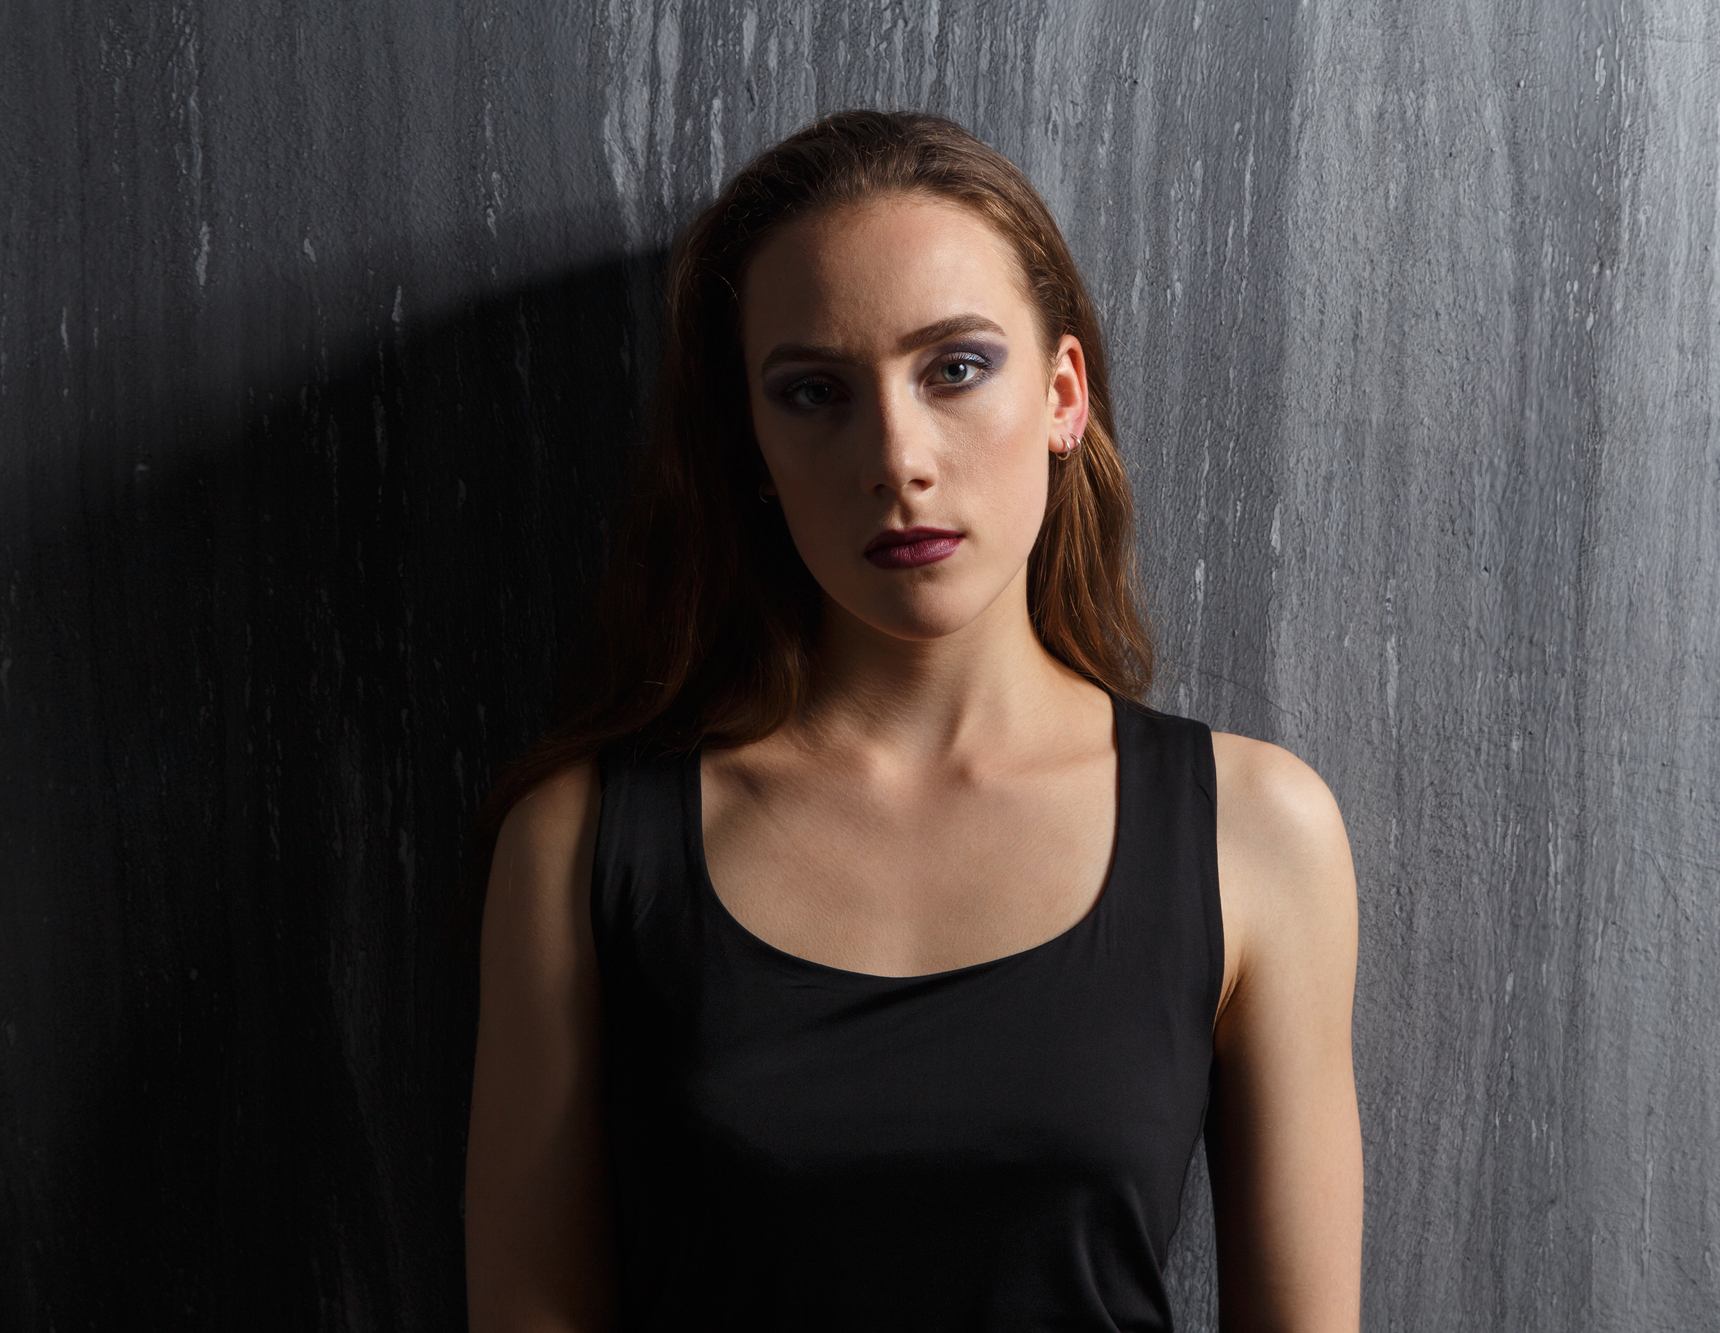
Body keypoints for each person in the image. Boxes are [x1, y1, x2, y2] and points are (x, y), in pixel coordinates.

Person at [464, 109, 1360, 1332]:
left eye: (953, 368)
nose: (895, 455)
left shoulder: (1254, 833)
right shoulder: (579, 847)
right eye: (814, 392)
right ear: (752, 453)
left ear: (1061, 394)